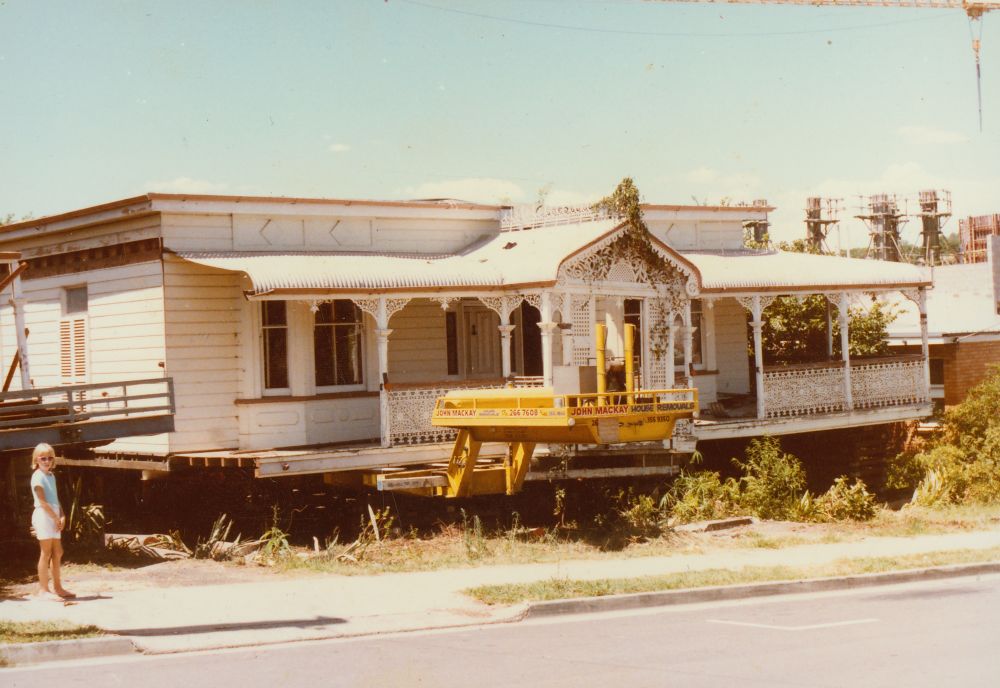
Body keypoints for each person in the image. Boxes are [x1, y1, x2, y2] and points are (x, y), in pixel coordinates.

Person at [30, 443, 74, 600]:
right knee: (46, 552)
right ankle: (44, 590)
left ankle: (58, 587)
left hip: (54, 514)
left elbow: (55, 499)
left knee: (58, 552)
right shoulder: (37, 476)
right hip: (44, 515)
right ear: (36, 459)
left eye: (50, 458)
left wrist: (62, 515)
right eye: (43, 458)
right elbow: (42, 502)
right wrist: (55, 518)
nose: (47, 461)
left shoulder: (51, 476)